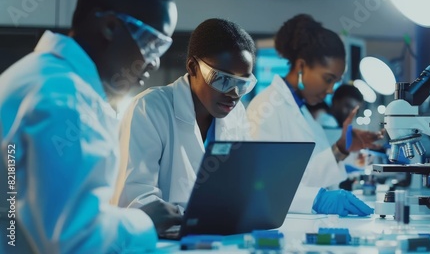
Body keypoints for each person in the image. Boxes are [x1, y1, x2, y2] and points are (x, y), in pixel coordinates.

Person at [0, 0, 180, 253]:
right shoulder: (66, 98)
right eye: (152, 44)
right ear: (109, 27)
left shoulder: (37, 74)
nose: (154, 63)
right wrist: (144, 221)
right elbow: (76, 241)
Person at [247, 14, 383, 215]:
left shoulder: (302, 112)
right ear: (302, 66)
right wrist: (315, 199)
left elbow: (307, 175)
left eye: (335, 82)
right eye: (328, 79)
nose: (330, 90)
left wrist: (342, 148)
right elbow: (261, 188)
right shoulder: (265, 109)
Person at [116, 18, 255, 209]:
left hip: (216, 233)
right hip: (162, 237)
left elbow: (240, 185)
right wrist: (184, 218)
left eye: (242, 84)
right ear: (192, 67)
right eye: (222, 80)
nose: (233, 94)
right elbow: (135, 198)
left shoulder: (236, 114)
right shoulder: (149, 108)